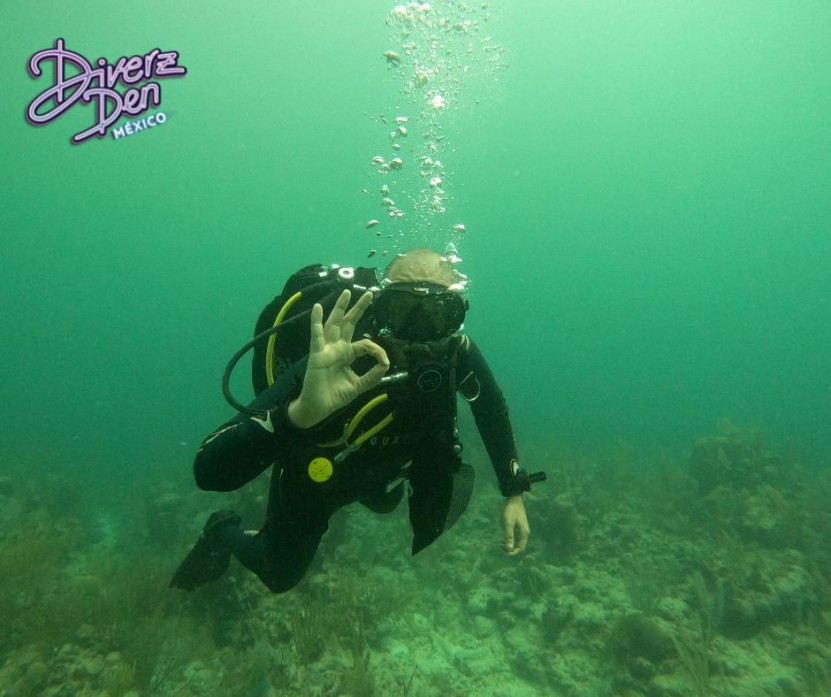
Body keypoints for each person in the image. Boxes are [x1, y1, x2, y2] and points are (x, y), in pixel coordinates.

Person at [170, 248, 536, 594]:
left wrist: (513, 490)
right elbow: (209, 471)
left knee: (384, 503)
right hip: (315, 480)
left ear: (457, 318)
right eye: (402, 309)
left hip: (383, 477)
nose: (420, 329)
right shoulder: (333, 361)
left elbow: (491, 408)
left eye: (440, 313)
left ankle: (372, 493)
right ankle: (222, 529)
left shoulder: (458, 354)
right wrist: (298, 415)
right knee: (278, 574)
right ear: (378, 309)